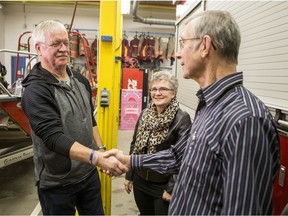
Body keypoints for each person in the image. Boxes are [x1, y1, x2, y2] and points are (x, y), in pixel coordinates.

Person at [104, 10, 280, 215]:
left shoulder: (244, 120)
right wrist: (129, 160)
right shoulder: (209, 105)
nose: (177, 54)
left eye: (183, 44)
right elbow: (179, 157)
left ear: (204, 46)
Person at [21, 20, 127, 215]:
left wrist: (101, 150)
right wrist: (97, 158)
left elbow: (90, 119)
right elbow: (53, 138)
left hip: (87, 175)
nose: (63, 49)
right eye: (55, 44)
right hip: (57, 184)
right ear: (39, 48)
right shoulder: (35, 92)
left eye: (66, 43)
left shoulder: (80, 80)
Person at [124, 71, 191, 215]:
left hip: (163, 185)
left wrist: (171, 188)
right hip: (140, 180)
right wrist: (129, 175)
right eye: (154, 89)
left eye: (163, 89)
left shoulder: (181, 119)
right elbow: (135, 144)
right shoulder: (145, 114)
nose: (157, 93)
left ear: (173, 93)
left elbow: (184, 158)